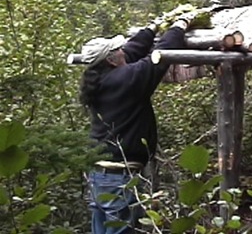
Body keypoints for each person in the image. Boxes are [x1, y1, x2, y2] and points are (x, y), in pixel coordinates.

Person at [78, 18, 189, 233]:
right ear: (111, 60)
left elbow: (132, 50)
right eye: (118, 50)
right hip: (118, 177)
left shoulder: (101, 77)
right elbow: (159, 56)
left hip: (100, 174)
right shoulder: (126, 78)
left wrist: (151, 28)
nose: (123, 51)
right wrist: (179, 27)